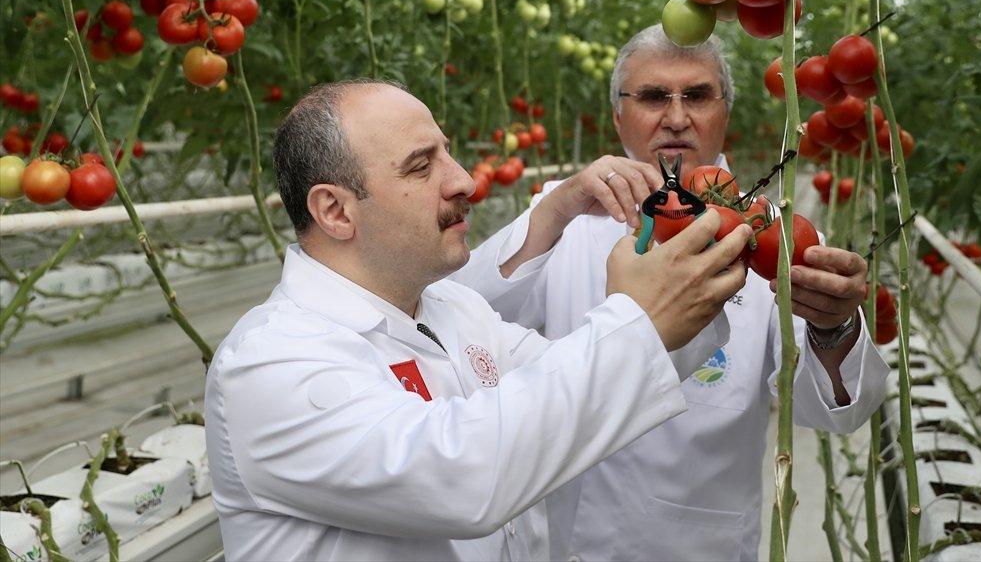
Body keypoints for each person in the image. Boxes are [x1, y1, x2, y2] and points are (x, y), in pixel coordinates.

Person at [204, 79, 754, 561]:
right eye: (422, 167)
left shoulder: (453, 310)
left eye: (449, 154)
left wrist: (700, 286)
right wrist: (635, 318)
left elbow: (577, 386)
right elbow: (466, 477)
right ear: (335, 211)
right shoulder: (272, 362)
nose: (465, 181)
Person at [453, 25, 890, 562]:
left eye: (699, 95)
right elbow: (453, 318)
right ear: (618, 114)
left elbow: (838, 414)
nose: (677, 117)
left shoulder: (777, 239)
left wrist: (836, 324)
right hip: (560, 539)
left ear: (726, 111)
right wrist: (557, 206)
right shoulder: (566, 217)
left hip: (691, 544)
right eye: (654, 96)